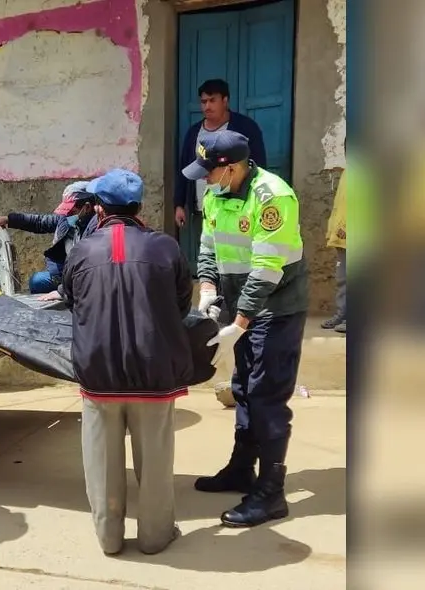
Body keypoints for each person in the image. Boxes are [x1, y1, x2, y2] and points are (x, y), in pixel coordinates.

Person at [62, 168, 192, 555]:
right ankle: (154, 537)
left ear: (99, 209)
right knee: (155, 464)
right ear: (139, 206)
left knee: (101, 466)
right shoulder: (165, 247)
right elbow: (181, 304)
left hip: (99, 376)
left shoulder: (82, 250)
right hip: (154, 375)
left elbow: (71, 301)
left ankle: (109, 538)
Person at [182, 130, 309, 528]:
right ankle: (242, 469)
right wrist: (206, 289)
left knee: (266, 395)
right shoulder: (216, 193)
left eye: (209, 171)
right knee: (243, 389)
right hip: (243, 308)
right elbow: (208, 246)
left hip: (277, 308)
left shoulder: (273, 197)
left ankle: (272, 493)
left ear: (233, 168)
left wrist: (238, 323)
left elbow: (267, 270)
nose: (204, 179)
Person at [176, 79, 267, 274]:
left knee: (237, 255)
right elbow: (183, 168)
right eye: (203, 102)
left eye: (212, 100)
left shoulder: (245, 128)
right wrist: (179, 204)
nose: (206, 106)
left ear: (225, 100)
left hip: (238, 206)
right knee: (208, 252)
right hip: (204, 206)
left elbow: (258, 165)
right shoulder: (194, 133)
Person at [0, 181, 90, 293]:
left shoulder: (96, 230)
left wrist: (62, 292)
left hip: (83, 278)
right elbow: (39, 222)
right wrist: (9, 220)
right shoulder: (65, 220)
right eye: (66, 211)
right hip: (64, 274)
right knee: (36, 281)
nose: (67, 215)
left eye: (72, 211)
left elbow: (91, 272)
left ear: (87, 208)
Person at [321, 165, 347, 333]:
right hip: (342, 237)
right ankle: (342, 314)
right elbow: (340, 206)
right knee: (343, 278)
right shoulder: (347, 174)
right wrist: (333, 230)